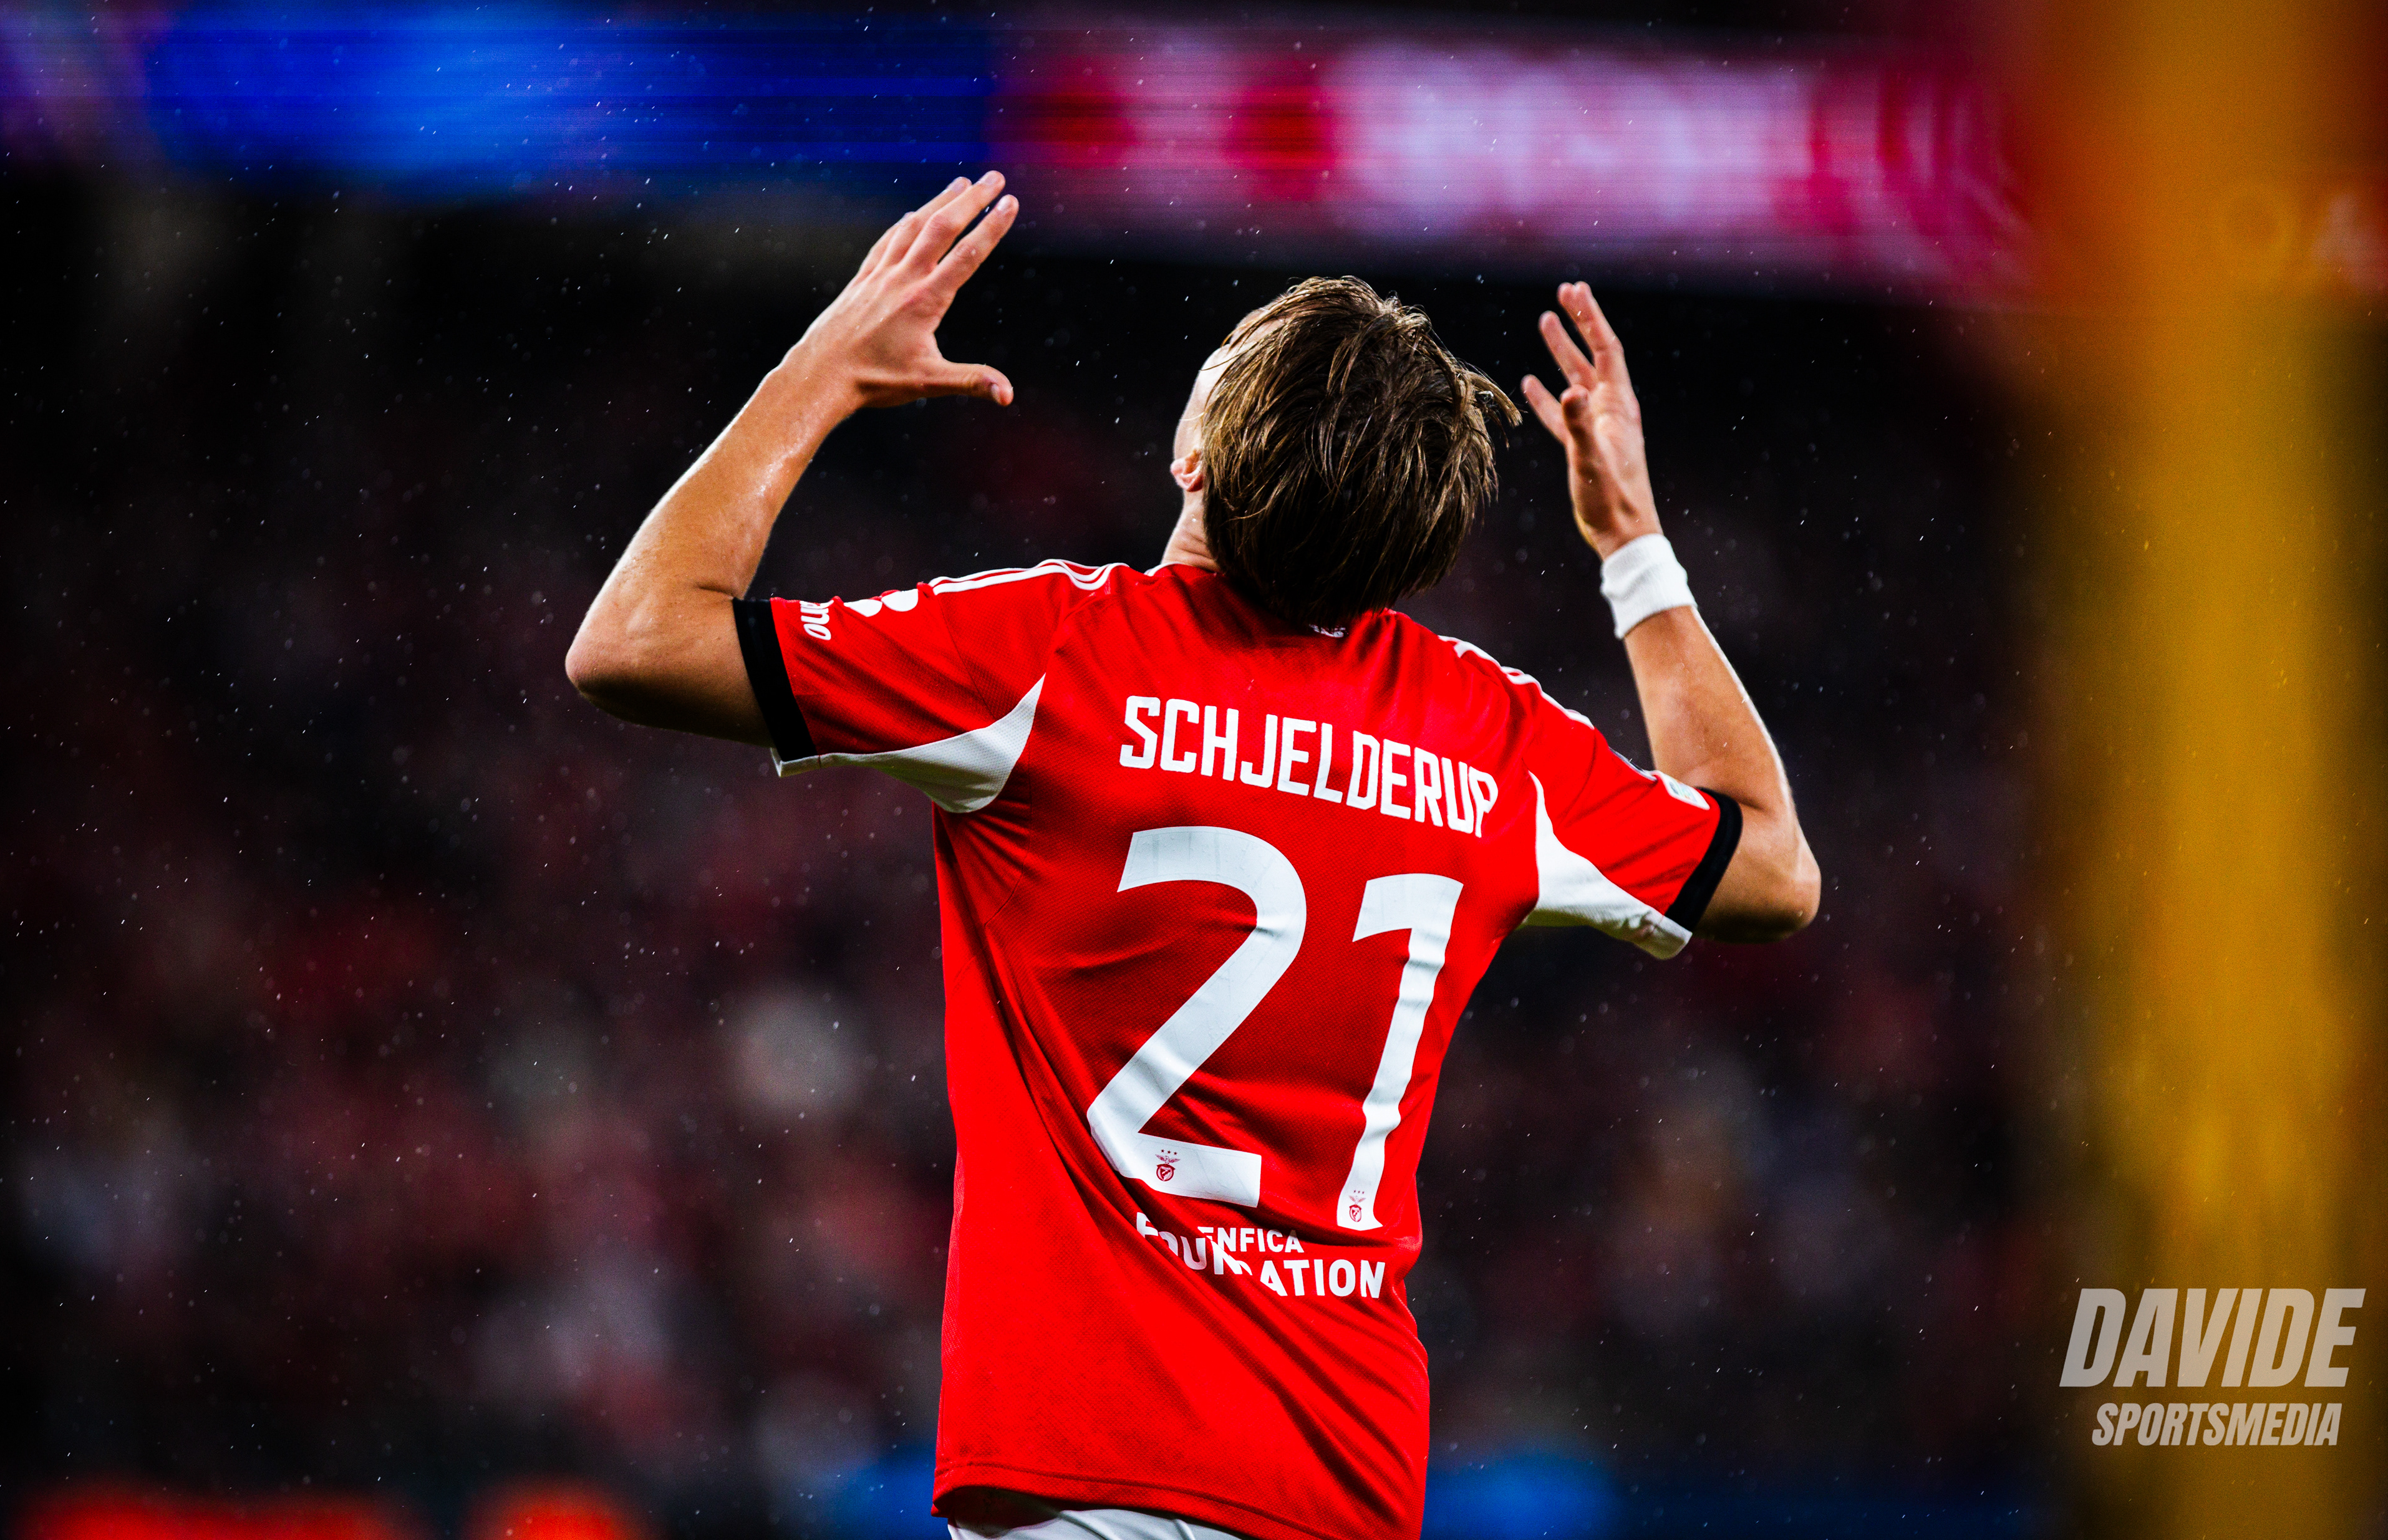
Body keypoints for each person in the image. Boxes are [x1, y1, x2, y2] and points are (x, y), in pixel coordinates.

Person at [566, 171, 1819, 1540]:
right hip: (1339, 1477)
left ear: (1197, 455)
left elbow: (635, 640)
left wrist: (823, 367)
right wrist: (1634, 547)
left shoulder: (1057, 655)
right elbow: (1771, 869)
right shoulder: (1493, 741)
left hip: (1088, 1472)